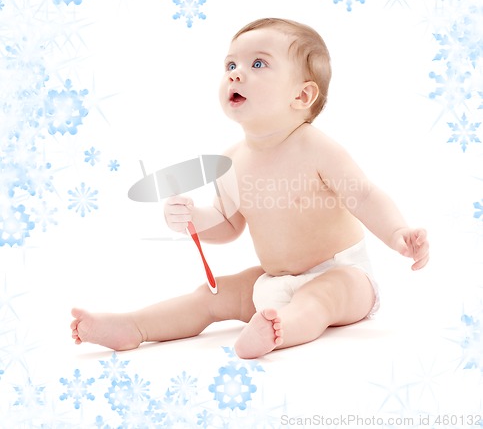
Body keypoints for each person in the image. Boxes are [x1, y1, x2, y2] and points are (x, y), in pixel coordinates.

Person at [71, 18, 429, 359]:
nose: (236, 73)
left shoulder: (318, 149)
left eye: (258, 64)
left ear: (302, 96)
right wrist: (192, 219)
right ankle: (134, 326)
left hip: (342, 275)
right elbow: (228, 224)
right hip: (272, 279)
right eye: (230, 65)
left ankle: (278, 330)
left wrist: (397, 232)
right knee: (210, 296)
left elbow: (364, 196)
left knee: (319, 300)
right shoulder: (232, 161)